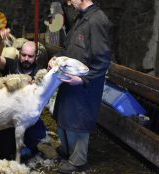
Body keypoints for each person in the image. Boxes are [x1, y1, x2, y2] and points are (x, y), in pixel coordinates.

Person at [48, 0, 111, 173]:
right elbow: (68, 49)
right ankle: (68, 150)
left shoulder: (97, 20)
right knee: (64, 116)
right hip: (69, 79)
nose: (68, 2)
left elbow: (102, 60)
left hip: (84, 85)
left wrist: (83, 80)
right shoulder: (80, 19)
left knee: (78, 121)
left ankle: (78, 160)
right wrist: (57, 57)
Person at [0, 28, 47, 162]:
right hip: (9, 119)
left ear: (36, 57)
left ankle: (30, 147)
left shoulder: (39, 74)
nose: (26, 58)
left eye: (30, 56)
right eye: (24, 55)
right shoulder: (11, 65)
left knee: (34, 147)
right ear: (19, 53)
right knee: (3, 153)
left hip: (29, 120)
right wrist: (0, 43)